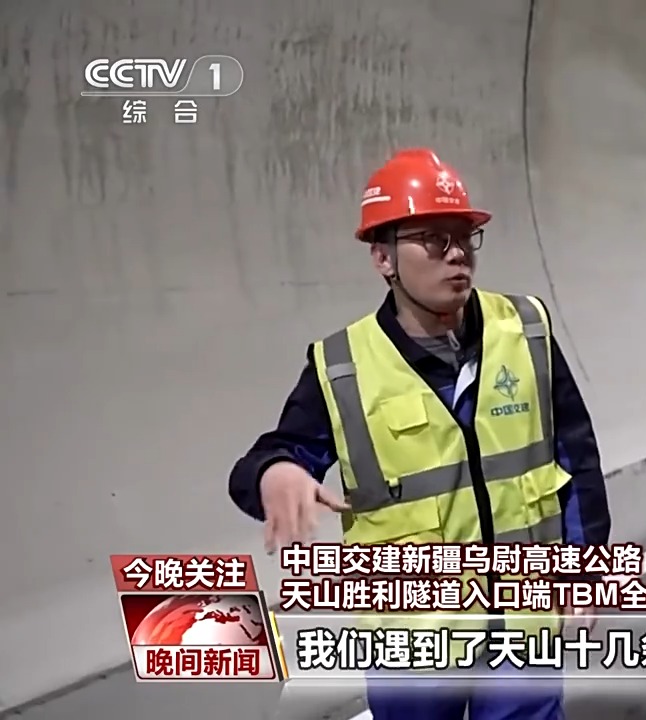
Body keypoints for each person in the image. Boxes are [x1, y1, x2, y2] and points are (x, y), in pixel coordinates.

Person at [228, 148, 610, 720]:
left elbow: (575, 457)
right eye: (432, 239)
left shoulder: (524, 330)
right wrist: (274, 472)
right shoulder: (344, 366)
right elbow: (272, 455)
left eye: (464, 237)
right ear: (383, 258)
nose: (457, 254)